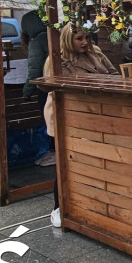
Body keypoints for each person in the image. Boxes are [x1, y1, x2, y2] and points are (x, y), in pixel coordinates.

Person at [42, 24, 118, 228]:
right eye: (79, 39)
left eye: (86, 38)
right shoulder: (57, 60)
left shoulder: (97, 53)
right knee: (64, 161)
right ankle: (58, 206)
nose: (84, 42)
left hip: (96, 113)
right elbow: (59, 90)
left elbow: (113, 73)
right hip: (66, 115)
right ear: (68, 39)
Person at [21, 11, 54, 167]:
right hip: (57, 85)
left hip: (45, 88)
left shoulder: (36, 42)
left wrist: (27, 90)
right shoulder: (53, 34)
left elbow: (35, 71)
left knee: (50, 120)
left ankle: (53, 152)